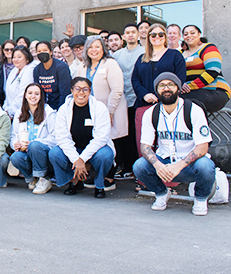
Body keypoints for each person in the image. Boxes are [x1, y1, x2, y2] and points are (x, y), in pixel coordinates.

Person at [133, 72, 215, 216]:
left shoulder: (193, 110)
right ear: (156, 90)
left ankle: (201, 199)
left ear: (178, 88)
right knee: (139, 166)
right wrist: (158, 166)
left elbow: (203, 147)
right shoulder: (151, 113)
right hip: (164, 162)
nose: (166, 88)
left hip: (189, 165)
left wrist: (179, 165)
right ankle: (161, 193)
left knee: (206, 166)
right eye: (162, 85)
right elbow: (145, 146)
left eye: (171, 84)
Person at [75, 37, 127, 190]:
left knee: (110, 142)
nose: (94, 50)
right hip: (90, 113)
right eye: (90, 47)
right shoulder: (83, 66)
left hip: (111, 110)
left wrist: (109, 112)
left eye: (97, 47)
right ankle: (96, 174)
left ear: (103, 48)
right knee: (94, 142)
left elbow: (117, 90)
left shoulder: (110, 64)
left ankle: (109, 177)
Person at [49, 77, 115, 198]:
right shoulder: (64, 109)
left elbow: (101, 138)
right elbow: (62, 138)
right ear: (71, 90)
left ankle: (99, 186)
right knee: (55, 153)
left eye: (85, 89)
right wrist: (76, 159)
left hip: (96, 150)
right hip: (74, 148)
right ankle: (74, 181)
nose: (81, 93)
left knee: (105, 155)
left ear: (90, 91)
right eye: (77, 89)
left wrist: (82, 159)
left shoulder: (100, 108)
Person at [132, 23, 186, 156]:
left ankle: (167, 174)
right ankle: (145, 175)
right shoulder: (141, 58)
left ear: (165, 37)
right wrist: (144, 95)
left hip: (168, 106)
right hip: (144, 106)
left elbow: (180, 78)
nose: (157, 37)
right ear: (149, 38)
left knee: (167, 142)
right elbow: (135, 80)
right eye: (153, 34)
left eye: (161, 34)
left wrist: (162, 95)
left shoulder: (175, 55)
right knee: (144, 142)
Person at [9, 84, 57, 194]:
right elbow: (14, 135)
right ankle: (33, 178)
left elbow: (55, 137)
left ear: (41, 96)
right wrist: (15, 144)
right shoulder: (19, 113)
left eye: (37, 94)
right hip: (25, 152)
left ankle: (43, 178)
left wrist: (35, 142)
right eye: (30, 93)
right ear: (25, 95)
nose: (33, 96)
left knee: (34, 146)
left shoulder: (49, 113)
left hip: (43, 154)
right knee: (15, 157)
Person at [112, 23, 145, 178]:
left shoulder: (145, 52)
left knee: (135, 134)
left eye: (133, 32)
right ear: (123, 36)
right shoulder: (117, 55)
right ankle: (125, 166)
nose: (131, 35)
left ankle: (136, 169)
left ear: (138, 35)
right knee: (122, 135)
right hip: (121, 100)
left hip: (138, 99)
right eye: (127, 33)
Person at [180, 25, 230, 112]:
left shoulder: (208, 48)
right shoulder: (180, 53)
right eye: (186, 34)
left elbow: (213, 71)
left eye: (192, 33)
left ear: (199, 34)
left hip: (213, 91)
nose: (189, 36)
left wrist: (189, 86)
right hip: (187, 92)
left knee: (180, 102)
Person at [33, 41, 71, 110]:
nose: (42, 53)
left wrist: (59, 111)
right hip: (47, 108)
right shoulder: (37, 70)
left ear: (51, 52)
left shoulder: (61, 67)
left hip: (62, 106)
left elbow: (65, 92)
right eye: (39, 51)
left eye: (45, 50)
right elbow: (39, 92)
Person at [3, 46, 34, 118]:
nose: (16, 59)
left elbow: (22, 94)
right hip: (9, 112)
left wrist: (10, 112)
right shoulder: (14, 70)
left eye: (19, 57)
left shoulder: (29, 71)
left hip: (22, 112)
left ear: (27, 58)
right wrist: (6, 109)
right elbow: (7, 94)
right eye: (14, 57)